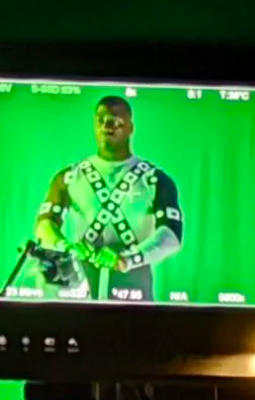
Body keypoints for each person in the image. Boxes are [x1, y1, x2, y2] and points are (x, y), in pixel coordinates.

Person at [34, 95, 183, 302]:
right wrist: (66, 247)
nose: (106, 127)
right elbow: (44, 225)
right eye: (100, 121)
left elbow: (171, 236)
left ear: (130, 128)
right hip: (82, 292)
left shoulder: (155, 179)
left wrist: (128, 259)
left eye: (115, 121)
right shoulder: (70, 177)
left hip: (134, 295)